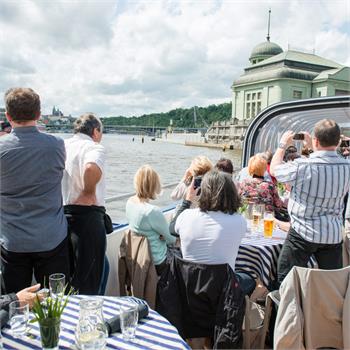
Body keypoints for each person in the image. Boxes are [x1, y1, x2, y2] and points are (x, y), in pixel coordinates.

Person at [0, 88, 69, 294]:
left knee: (15, 307)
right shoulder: (56, 145)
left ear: (8, 116)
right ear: (38, 115)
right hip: (51, 237)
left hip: (13, 241)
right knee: (56, 303)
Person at [270, 120, 350, 285]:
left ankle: (289, 309)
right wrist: (314, 147)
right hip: (332, 234)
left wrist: (282, 145)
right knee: (332, 285)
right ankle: (327, 311)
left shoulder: (303, 166)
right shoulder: (346, 166)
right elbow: (327, 161)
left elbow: (274, 170)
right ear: (338, 141)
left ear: (316, 140)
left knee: (287, 281)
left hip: (302, 233)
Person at [173, 170, 255, 295]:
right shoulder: (239, 221)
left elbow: (171, 229)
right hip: (223, 291)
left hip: (189, 287)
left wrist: (188, 200)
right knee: (250, 279)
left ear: (203, 191)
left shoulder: (186, 216)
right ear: (231, 193)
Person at [62, 113, 109, 295]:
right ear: (95, 131)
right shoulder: (94, 147)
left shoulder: (62, 146)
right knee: (89, 279)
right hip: (87, 217)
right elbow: (91, 167)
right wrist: (88, 192)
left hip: (62, 216)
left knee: (76, 273)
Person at [126, 165, 176, 275]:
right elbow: (171, 239)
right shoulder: (152, 211)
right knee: (182, 253)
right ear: (154, 185)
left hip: (139, 256)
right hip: (157, 260)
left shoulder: (129, 202)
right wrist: (165, 237)